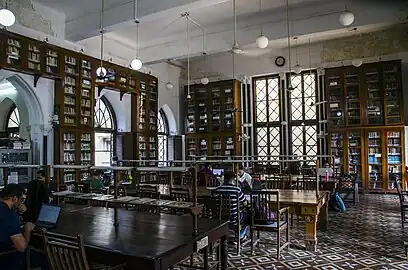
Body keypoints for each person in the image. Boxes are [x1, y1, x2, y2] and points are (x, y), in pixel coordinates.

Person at [0, 184, 35, 269]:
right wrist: (27, 230)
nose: (20, 203)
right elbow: (22, 247)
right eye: (21, 200)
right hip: (5, 259)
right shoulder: (10, 215)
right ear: (14, 199)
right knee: (42, 257)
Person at [214, 171, 249, 239]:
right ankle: (240, 236)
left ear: (224, 178)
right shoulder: (237, 190)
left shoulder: (217, 190)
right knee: (248, 216)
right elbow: (245, 203)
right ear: (233, 179)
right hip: (234, 220)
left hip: (219, 218)